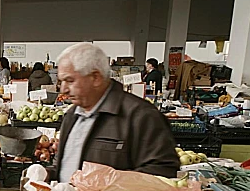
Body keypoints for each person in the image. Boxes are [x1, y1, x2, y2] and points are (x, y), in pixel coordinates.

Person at [50, 42, 178, 183]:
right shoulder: (72, 115)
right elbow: (66, 166)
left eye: (70, 80)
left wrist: (106, 186)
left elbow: (163, 172)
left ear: (96, 78)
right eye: (61, 81)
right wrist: (48, 174)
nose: (63, 89)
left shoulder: (141, 116)